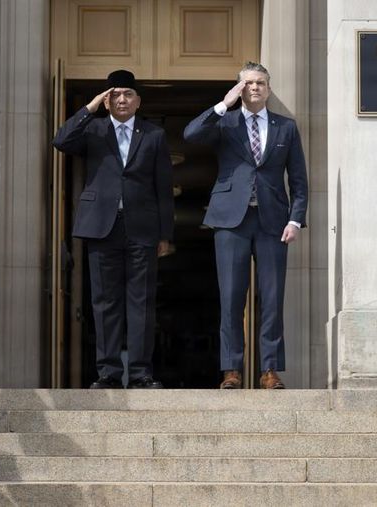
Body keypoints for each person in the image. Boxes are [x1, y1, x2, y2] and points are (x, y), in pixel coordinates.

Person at [184, 62, 308, 389]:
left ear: (268, 88)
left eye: (261, 83)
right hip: (230, 221)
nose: (255, 88)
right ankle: (231, 370)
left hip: (273, 222)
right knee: (231, 297)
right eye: (249, 83)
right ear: (239, 88)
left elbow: (298, 180)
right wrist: (223, 104)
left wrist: (296, 218)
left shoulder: (285, 127)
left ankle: (269, 370)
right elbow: (191, 134)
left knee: (271, 297)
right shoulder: (225, 123)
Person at [53, 69, 174, 389]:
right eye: (115, 94)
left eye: (128, 94)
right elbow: (61, 140)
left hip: (143, 228)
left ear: (138, 101)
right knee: (105, 301)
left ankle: (139, 373)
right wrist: (90, 107)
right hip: (101, 227)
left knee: (141, 301)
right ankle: (108, 373)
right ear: (107, 100)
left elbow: (164, 187)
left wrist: (165, 235)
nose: (122, 99)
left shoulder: (153, 135)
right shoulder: (93, 130)